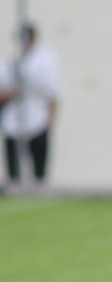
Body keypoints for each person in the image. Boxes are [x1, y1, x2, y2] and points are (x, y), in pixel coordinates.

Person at [0, 23, 60, 191]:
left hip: (36, 113)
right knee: (13, 146)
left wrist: (52, 116)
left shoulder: (44, 60)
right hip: (15, 114)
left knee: (38, 148)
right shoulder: (12, 63)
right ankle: (14, 180)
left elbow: (53, 90)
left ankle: (39, 182)